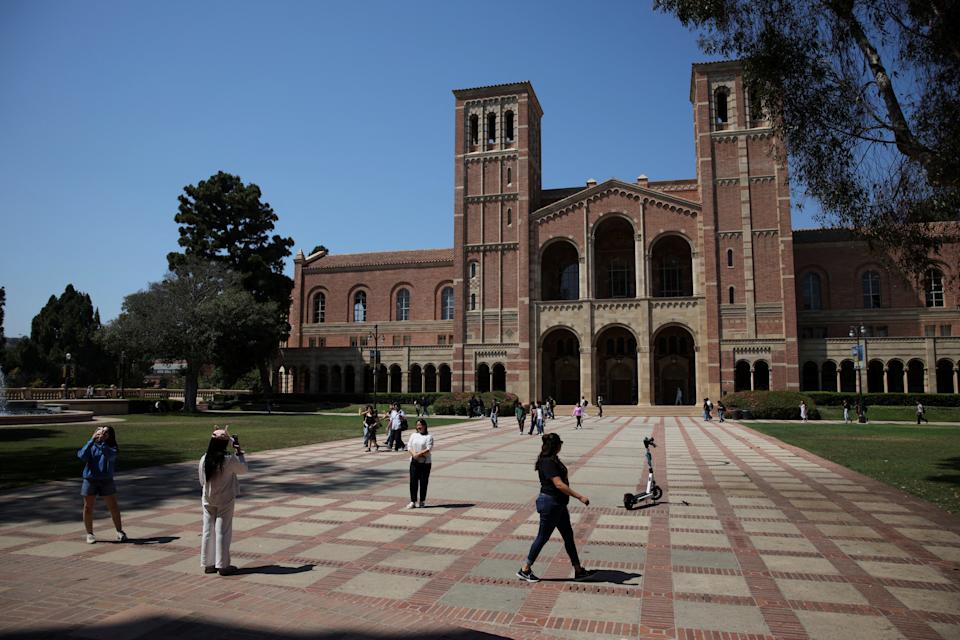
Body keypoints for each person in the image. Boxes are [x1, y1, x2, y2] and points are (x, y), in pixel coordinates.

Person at [516, 433, 595, 583]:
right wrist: (579, 497)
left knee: (568, 536)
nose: (561, 445)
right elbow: (558, 484)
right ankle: (525, 569)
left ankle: (578, 570)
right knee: (543, 537)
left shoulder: (552, 459)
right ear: (555, 445)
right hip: (550, 504)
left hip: (558, 504)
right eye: (560, 443)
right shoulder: (547, 462)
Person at [199, 426, 247, 576]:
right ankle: (223, 565)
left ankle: (208, 563)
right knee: (223, 531)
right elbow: (243, 469)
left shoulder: (204, 458)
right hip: (225, 498)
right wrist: (239, 452)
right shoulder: (228, 459)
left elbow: (202, 480)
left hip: (208, 498)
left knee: (208, 530)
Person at [77, 426, 127, 544]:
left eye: (105, 432)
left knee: (113, 507)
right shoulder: (92, 445)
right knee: (88, 507)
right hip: (90, 480)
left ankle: (119, 531)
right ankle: (89, 533)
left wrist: (103, 442)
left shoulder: (112, 447)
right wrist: (91, 439)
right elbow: (81, 455)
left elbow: (110, 455)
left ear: (110, 435)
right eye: (100, 431)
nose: (102, 434)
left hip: (106, 480)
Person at [406, 419, 434, 508]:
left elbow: (429, 448)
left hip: (425, 463)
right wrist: (414, 454)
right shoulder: (413, 435)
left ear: (424, 426)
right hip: (414, 461)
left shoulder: (429, 436)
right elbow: (409, 446)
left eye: (420, 425)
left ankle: (422, 500)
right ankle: (413, 501)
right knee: (413, 482)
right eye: (417, 425)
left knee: (423, 482)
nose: (418, 427)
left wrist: (419, 454)